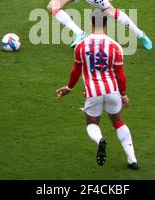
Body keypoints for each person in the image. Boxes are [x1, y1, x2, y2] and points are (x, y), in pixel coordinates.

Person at [56, 9, 138, 170]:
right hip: (113, 91)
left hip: (93, 93)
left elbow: (75, 71)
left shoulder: (81, 46)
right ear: (106, 24)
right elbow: (121, 75)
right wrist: (123, 95)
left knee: (92, 123)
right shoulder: (115, 47)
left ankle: (100, 140)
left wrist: (69, 88)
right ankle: (132, 159)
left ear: (91, 23)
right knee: (118, 122)